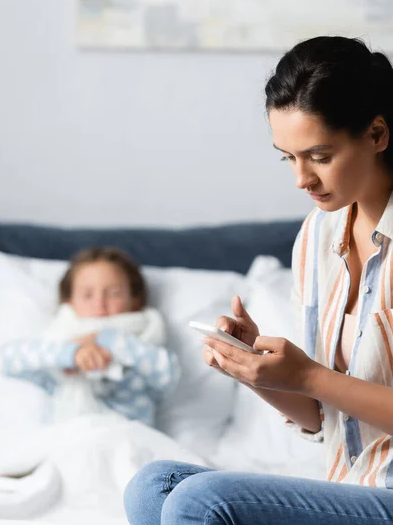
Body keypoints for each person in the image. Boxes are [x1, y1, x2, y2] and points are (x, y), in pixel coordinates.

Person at [124, 36, 393, 525]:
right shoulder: (317, 236)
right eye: (287, 158)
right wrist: (257, 373)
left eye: (319, 155)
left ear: (376, 134)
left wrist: (311, 375)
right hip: (352, 487)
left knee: (198, 503)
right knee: (154, 486)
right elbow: (322, 418)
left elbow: (319, 385)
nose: (301, 179)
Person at [1, 247, 179, 425]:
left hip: (130, 439)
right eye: (87, 295)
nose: (99, 304)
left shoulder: (144, 344)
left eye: (113, 293)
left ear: (135, 299)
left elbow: (168, 374)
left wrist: (106, 340)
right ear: (69, 301)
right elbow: (8, 360)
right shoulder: (57, 347)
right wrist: (72, 353)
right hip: (70, 440)